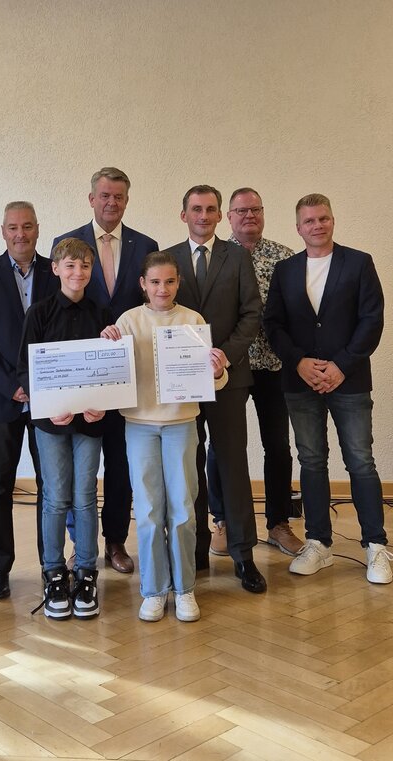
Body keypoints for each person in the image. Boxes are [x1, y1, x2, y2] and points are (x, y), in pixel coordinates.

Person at [263, 193, 393, 583]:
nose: (317, 225)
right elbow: (274, 324)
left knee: (360, 461)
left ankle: (375, 546)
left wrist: (341, 365)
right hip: (299, 381)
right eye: (309, 221)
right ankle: (319, 543)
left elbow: (371, 320)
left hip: (349, 380)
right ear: (298, 228)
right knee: (311, 461)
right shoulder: (285, 270)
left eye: (323, 218)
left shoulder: (359, 263)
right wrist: (299, 362)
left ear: (332, 221)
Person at [101, 252, 228, 622]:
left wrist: (217, 370)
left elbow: (213, 382)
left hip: (181, 424)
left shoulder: (193, 321)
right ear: (143, 284)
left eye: (169, 281)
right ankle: (154, 590)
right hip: (139, 425)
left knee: (184, 509)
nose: (162, 288)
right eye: (155, 282)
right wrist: (107, 346)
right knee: (148, 511)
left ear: (178, 283)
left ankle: (185, 588)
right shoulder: (127, 321)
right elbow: (111, 374)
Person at [161, 185, 266, 594]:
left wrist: (226, 354)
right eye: (196, 209)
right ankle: (195, 550)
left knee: (233, 465)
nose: (203, 216)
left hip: (228, 378)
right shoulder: (167, 259)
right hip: (182, 382)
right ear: (183, 214)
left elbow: (251, 313)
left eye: (210, 209)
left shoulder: (237, 257)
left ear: (220, 215)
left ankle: (243, 554)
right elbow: (159, 314)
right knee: (188, 465)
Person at [53, 167, 158, 574]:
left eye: (118, 197)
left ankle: (115, 540)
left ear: (126, 201)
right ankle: (79, 544)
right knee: (79, 465)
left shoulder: (145, 245)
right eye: (104, 195)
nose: (111, 202)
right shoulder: (67, 243)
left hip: (127, 375)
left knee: (120, 461)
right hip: (82, 376)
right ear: (91, 198)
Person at [0, 201, 59, 600]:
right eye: (13, 227)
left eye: (28, 226)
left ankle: (51, 565)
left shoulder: (56, 272)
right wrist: (11, 385)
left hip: (49, 399)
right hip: (0, 397)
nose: (21, 234)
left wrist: (39, 385)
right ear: (2, 231)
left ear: (38, 228)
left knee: (50, 486)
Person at [207, 187, 303, 557]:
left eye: (255, 210)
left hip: (273, 366)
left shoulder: (284, 257)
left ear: (263, 214)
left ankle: (278, 522)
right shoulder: (218, 256)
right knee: (222, 445)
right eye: (241, 211)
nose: (249, 216)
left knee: (277, 445)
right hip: (228, 365)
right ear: (228, 217)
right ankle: (223, 520)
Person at [17, 238, 109, 619]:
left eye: (85, 265)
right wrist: (48, 406)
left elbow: (110, 368)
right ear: (55, 269)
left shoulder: (103, 314)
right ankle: (53, 572)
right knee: (55, 498)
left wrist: (103, 403)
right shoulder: (38, 313)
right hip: (50, 423)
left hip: (90, 421)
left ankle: (86, 572)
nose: (77, 272)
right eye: (70, 265)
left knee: (85, 497)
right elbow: (26, 369)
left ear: (92, 270)